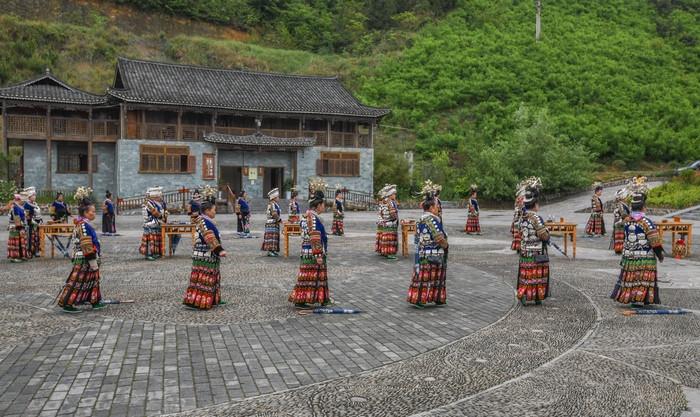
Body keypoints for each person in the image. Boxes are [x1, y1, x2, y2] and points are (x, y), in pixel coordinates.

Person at [610, 178, 664, 306]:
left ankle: (631, 298)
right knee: (642, 278)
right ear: (644, 207)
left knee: (631, 277)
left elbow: (618, 227)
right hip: (644, 257)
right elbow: (655, 241)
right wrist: (660, 255)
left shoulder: (627, 220)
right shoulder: (646, 222)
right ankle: (640, 299)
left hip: (629, 256)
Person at [56, 196, 105, 313]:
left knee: (92, 280)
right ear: (85, 213)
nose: (94, 214)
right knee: (78, 281)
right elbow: (86, 245)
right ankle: (68, 303)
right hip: (85, 258)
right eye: (92, 212)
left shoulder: (83, 224)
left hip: (87, 257)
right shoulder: (84, 226)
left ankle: (94, 300)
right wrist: (93, 262)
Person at [289, 191, 331, 308]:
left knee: (312, 276)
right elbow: (315, 237)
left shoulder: (307, 216)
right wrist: (318, 255)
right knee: (310, 276)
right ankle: (301, 300)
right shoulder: (313, 219)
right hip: (312, 252)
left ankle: (319, 299)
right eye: (323, 205)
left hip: (308, 250)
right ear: (318, 206)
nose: (324, 207)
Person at [407, 188, 448, 308]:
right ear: (430, 208)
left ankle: (431, 298)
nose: (438, 208)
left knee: (427, 276)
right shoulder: (431, 220)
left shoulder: (421, 219)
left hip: (422, 252)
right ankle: (420, 299)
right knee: (429, 277)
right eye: (436, 206)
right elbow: (438, 238)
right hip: (432, 252)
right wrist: (446, 245)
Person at [183, 199, 227, 309]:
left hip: (208, 253)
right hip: (205, 254)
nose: (215, 212)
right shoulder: (204, 222)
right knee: (204, 278)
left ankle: (212, 299)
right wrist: (219, 250)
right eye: (214, 210)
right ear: (207, 211)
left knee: (211, 277)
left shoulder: (204, 220)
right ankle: (199, 302)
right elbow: (209, 237)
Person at [517, 183, 551, 306]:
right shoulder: (536, 218)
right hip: (536, 251)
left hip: (525, 251)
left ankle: (523, 294)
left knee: (526, 274)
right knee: (537, 275)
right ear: (535, 205)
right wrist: (548, 235)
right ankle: (537, 296)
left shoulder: (522, 217)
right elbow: (543, 235)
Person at [139, 187, 166, 260]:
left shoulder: (156, 203)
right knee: (150, 240)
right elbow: (155, 213)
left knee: (155, 239)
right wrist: (161, 215)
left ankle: (155, 253)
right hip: (149, 223)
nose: (160, 197)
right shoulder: (148, 203)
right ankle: (149, 254)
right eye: (159, 196)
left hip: (155, 223)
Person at [375, 184, 399, 259]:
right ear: (390, 195)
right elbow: (392, 213)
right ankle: (389, 253)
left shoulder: (383, 201)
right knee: (390, 238)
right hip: (389, 223)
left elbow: (380, 212)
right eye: (394, 194)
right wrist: (396, 219)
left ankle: (383, 251)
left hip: (383, 222)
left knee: (384, 237)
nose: (395, 195)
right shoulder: (390, 202)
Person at [7, 192, 29, 262]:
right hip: (15, 227)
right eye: (23, 200)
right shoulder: (15, 207)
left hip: (21, 226)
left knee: (21, 241)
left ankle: (22, 255)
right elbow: (16, 218)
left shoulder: (20, 207)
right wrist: (21, 224)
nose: (24, 202)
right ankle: (15, 257)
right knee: (16, 242)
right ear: (19, 200)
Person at [261, 188, 282, 256]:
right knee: (271, 238)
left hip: (273, 223)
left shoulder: (274, 204)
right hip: (272, 223)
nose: (278, 198)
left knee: (274, 238)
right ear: (274, 197)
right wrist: (279, 220)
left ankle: (273, 250)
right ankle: (270, 251)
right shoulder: (272, 204)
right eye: (277, 197)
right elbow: (274, 214)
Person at [23, 187, 42, 257]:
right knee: (30, 238)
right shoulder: (26, 205)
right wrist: (31, 220)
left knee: (37, 237)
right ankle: (30, 252)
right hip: (30, 224)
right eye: (33, 195)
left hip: (37, 223)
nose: (35, 197)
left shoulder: (35, 204)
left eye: (35, 195)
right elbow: (26, 215)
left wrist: (40, 220)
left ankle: (36, 250)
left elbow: (39, 214)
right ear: (29, 196)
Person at [611, 188, 630, 254]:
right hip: (620, 222)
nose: (627, 197)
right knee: (621, 236)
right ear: (623, 197)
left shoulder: (620, 204)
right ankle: (620, 249)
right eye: (626, 196)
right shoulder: (620, 205)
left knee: (619, 236)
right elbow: (624, 214)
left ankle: (619, 249)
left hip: (618, 222)